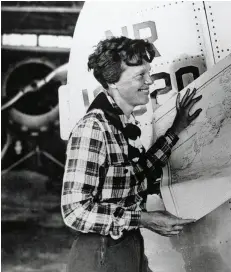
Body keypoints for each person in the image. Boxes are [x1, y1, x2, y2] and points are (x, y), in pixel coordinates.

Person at [61, 36, 202, 272]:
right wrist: (144, 219)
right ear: (113, 82)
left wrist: (176, 129)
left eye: (149, 72)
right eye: (140, 76)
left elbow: (137, 173)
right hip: (101, 253)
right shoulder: (94, 128)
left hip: (127, 246)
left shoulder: (119, 123)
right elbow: (74, 211)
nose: (150, 81)